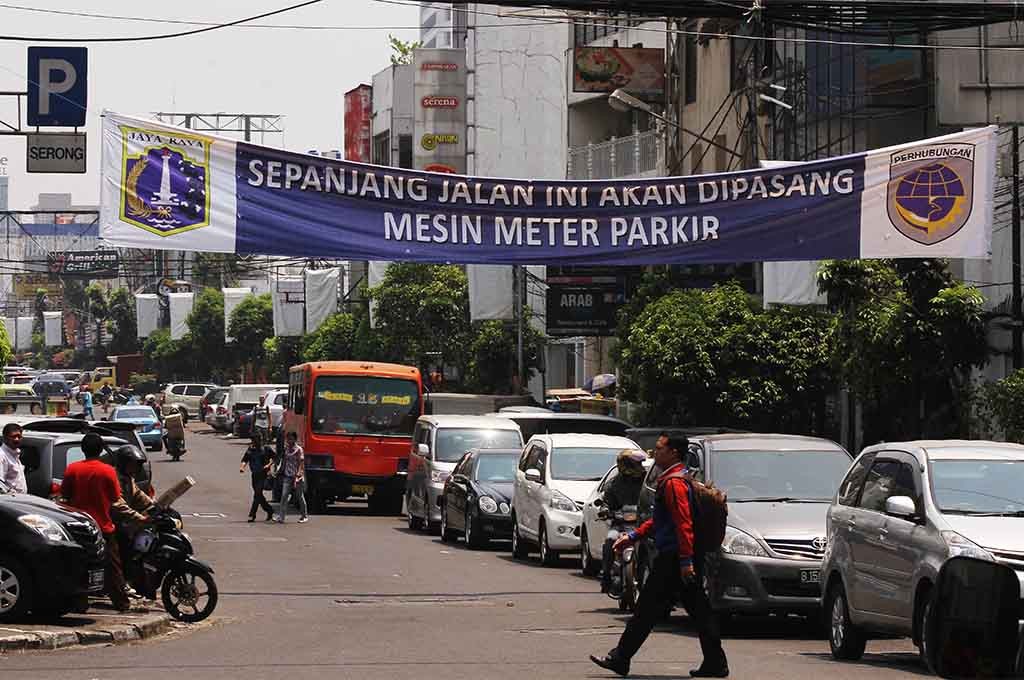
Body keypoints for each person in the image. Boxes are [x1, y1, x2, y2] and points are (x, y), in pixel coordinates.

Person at [591, 434, 729, 679]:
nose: (655, 453)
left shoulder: (674, 483)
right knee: (698, 610)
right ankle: (715, 663)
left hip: (675, 558)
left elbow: (683, 524)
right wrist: (633, 537)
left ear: (674, 452)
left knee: (647, 609)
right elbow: (661, 521)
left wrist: (686, 562)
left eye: (659, 448)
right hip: (680, 557)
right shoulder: (675, 479)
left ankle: (620, 657)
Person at [61, 433, 146, 612]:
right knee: (113, 567)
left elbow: (65, 495)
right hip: (104, 526)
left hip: (79, 527)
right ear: (101, 450)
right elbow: (115, 498)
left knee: (79, 566)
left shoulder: (72, 469)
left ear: (82, 450)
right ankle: (121, 603)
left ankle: (79, 602)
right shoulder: (107, 471)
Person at [111, 445, 155, 600]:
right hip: (115, 524)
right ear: (123, 463)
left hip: (126, 523)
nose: (135, 468)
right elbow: (118, 504)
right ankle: (123, 584)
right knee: (127, 549)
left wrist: (156, 507)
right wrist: (139, 517)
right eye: (132, 464)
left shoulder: (129, 479)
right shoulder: (115, 479)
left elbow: (139, 496)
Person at [600, 450, 646, 594]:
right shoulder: (614, 483)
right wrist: (605, 510)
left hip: (642, 525)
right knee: (609, 541)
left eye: (640, 463)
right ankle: (606, 576)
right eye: (637, 463)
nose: (640, 466)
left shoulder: (647, 481)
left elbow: (653, 497)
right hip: (620, 524)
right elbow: (606, 501)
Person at [240, 432, 275, 522]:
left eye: (256, 440)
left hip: (263, 474)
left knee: (257, 494)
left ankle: (252, 514)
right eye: (253, 441)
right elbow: (245, 459)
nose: (254, 443)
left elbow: (275, 457)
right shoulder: (251, 449)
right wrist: (242, 467)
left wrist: (269, 465)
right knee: (259, 496)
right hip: (254, 475)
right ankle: (270, 510)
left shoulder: (266, 449)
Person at [275, 431, 308, 524]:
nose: (289, 440)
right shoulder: (286, 449)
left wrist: (298, 476)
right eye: (288, 438)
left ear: (295, 439)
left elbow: (301, 464)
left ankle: (304, 516)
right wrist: (279, 471)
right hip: (287, 476)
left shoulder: (299, 450)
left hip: (297, 477)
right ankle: (281, 517)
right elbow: (284, 462)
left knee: (299, 496)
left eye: (291, 438)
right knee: (284, 496)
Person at [0, 423, 27, 494]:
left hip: (20, 500)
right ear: (5, 438)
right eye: (13, 436)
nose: (17, 439)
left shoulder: (15, 454)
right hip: (10, 501)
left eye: (19, 436)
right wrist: (11, 494)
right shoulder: (2, 455)